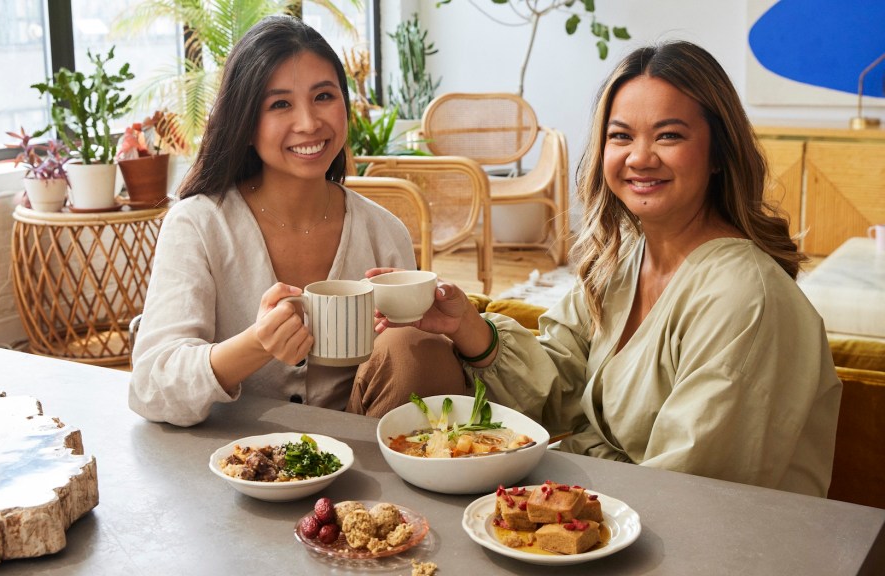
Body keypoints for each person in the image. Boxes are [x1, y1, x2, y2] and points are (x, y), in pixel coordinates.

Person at [373, 41, 841, 497]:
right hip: (609, 507)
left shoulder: (745, 298)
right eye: (621, 136)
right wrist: (466, 326)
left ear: (719, 152)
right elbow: (557, 387)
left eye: (669, 135)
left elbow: (691, 490)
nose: (640, 157)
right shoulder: (623, 261)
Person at [129, 16, 464, 426]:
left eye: (324, 96)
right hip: (235, 464)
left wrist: (404, 341)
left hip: (368, 468)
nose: (308, 123)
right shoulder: (197, 224)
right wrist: (256, 345)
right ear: (246, 122)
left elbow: (419, 374)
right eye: (280, 104)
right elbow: (150, 387)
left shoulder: (383, 230)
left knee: (413, 347)